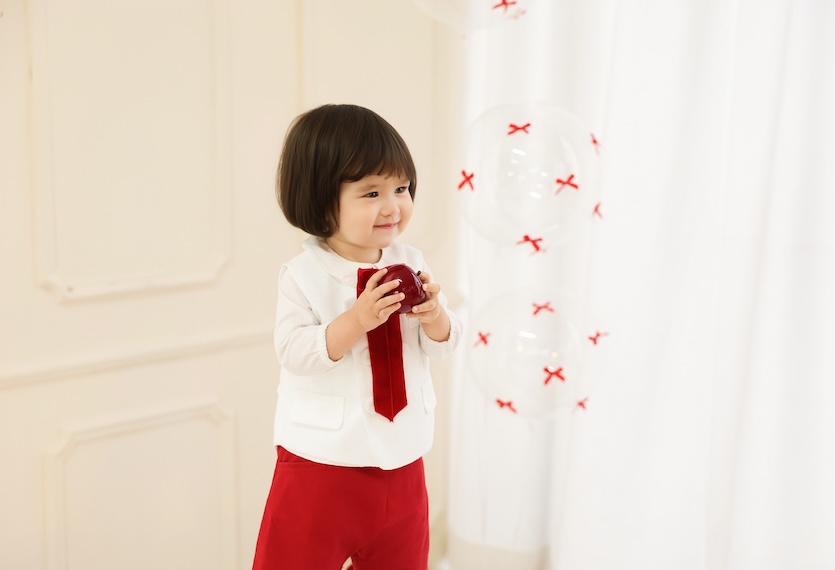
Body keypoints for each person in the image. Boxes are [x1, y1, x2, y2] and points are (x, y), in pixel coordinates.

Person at [252, 104, 461, 570]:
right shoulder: (303, 275)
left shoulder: (412, 261)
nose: (393, 206)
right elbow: (292, 351)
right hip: (322, 463)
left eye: (401, 188)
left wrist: (434, 316)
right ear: (321, 200)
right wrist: (356, 321)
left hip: (403, 456)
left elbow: (445, 342)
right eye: (371, 193)